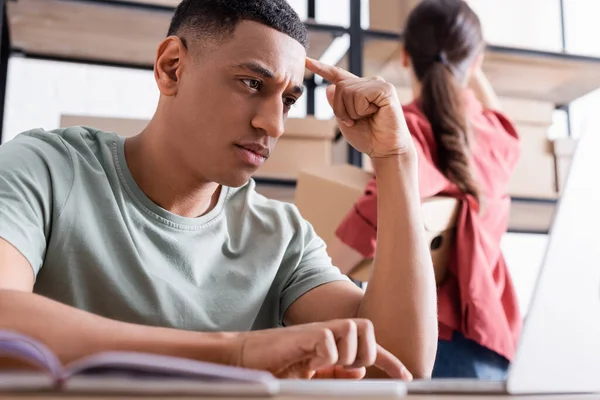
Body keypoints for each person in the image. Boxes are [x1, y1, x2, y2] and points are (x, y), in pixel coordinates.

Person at [0, 0, 437, 380]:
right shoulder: (46, 169)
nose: (275, 124)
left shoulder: (280, 236)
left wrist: (396, 159)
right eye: (252, 84)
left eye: (286, 100)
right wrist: (235, 354)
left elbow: (395, 364)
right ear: (172, 67)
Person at [330, 0, 522, 380]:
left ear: (404, 57)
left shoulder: (406, 132)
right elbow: (490, 107)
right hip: (495, 339)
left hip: (436, 342)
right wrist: (463, 58)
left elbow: (374, 218)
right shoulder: (498, 137)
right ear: (477, 62)